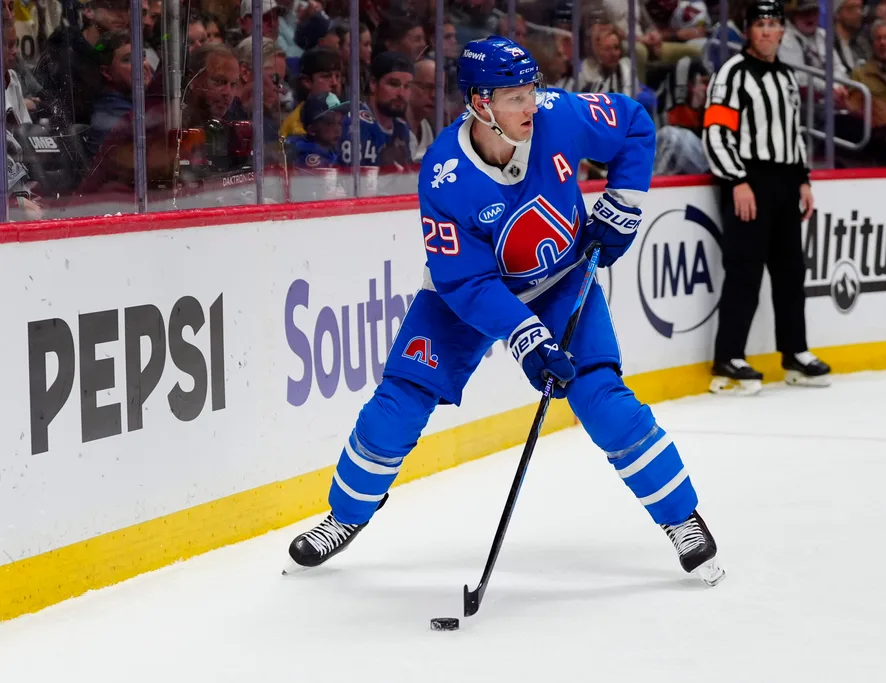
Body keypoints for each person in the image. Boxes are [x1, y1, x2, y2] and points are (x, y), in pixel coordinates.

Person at [284, 35, 725, 587]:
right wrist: (526, 337)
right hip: (463, 297)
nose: (531, 106)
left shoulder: (559, 116)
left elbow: (634, 124)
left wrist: (623, 204)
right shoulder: (445, 173)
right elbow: (464, 280)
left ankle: (681, 517)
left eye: (532, 91)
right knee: (398, 401)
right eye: (515, 97)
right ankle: (344, 516)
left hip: (562, 280)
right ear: (479, 103)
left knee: (601, 397)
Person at [701, 0, 831, 395]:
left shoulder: (787, 77)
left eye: (773, 24)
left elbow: (793, 133)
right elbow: (716, 133)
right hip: (749, 180)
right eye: (760, 24)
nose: (767, 31)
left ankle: (795, 352)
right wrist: (737, 180)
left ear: (782, 32)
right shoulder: (731, 74)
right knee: (745, 270)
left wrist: (803, 180)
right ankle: (729, 356)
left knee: (792, 270)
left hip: (784, 182)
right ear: (748, 31)